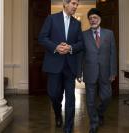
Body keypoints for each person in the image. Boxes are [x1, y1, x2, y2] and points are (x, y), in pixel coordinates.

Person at [38, 0, 83, 133]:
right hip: (54, 65)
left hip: (70, 67)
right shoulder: (51, 19)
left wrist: (70, 48)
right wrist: (56, 47)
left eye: (77, 4)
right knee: (53, 94)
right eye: (73, 3)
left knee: (70, 98)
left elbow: (81, 43)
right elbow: (42, 38)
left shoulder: (77, 23)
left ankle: (68, 128)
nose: (75, 6)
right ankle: (58, 114)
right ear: (65, 3)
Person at [77, 8, 117, 133]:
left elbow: (113, 53)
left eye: (94, 17)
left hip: (105, 72)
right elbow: (80, 55)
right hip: (90, 71)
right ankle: (93, 123)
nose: (92, 20)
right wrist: (79, 72)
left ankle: (99, 112)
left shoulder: (109, 34)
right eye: (90, 18)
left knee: (107, 97)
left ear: (99, 19)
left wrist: (113, 72)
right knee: (89, 100)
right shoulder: (83, 35)